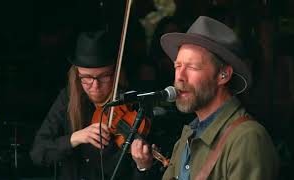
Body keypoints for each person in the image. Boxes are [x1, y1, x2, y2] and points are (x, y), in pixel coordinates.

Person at [131, 16, 279, 180]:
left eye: (192, 67)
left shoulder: (247, 138)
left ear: (223, 75)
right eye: (177, 66)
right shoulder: (187, 137)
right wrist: (143, 168)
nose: (180, 77)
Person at [30, 30, 154, 180]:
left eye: (103, 77)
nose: (95, 85)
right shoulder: (68, 98)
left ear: (115, 73)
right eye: (87, 77)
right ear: (77, 74)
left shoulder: (134, 105)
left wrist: (142, 166)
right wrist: (75, 138)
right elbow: (38, 153)